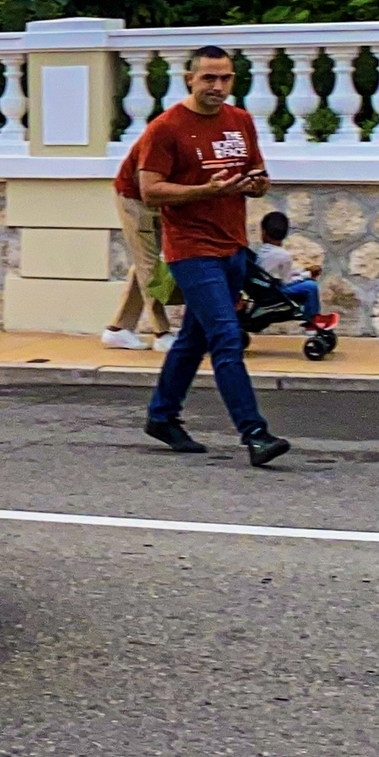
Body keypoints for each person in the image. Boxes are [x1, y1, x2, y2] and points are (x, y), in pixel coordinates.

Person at [135, 45, 291, 467]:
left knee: (194, 338)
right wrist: (206, 191)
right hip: (191, 250)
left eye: (224, 78)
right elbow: (150, 190)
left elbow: (256, 173)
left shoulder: (240, 121)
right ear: (190, 78)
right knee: (225, 335)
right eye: (208, 78)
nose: (217, 86)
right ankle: (255, 434)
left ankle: (161, 416)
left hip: (232, 248)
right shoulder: (165, 128)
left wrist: (256, 184)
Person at [101, 137, 174, 351]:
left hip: (160, 201)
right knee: (149, 265)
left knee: (144, 262)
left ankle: (118, 329)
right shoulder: (163, 137)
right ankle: (162, 332)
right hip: (134, 198)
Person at [254, 210, 321, 322]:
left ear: (263, 232)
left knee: (307, 283)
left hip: (265, 287)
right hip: (276, 290)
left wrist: (303, 272)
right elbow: (287, 281)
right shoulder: (283, 255)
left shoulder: (262, 252)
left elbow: (284, 274)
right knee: (311, 286)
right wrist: (307, 275)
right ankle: (312, 319)